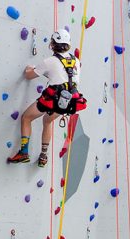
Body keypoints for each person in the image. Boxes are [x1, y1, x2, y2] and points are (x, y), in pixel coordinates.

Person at [7, 28, 86, 166]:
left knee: (26, 118)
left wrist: (28, 69)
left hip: (52, 99)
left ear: (53, 44)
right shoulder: (76, 61)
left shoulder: (50, 61)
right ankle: (43, 156)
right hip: (67, 102)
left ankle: (24, 152)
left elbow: (29, 76)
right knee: (47, 121)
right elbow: (65, 77)